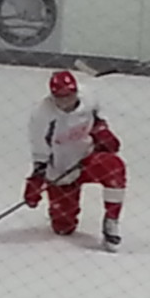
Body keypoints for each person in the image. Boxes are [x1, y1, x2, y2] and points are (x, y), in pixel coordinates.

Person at [25, 71, 127, 251]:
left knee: (114, 167)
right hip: (61, 171)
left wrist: (101, 131)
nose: (65, 102)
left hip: (87, 158)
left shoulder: (88, 97)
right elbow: (40, 151)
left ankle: (112, 221)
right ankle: (62, 214)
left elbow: (96, 117)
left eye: (69, 96)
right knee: (63, 228)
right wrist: (37, 179)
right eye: (60, 97)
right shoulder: (41, 115)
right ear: (52, 96)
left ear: (76, 92)